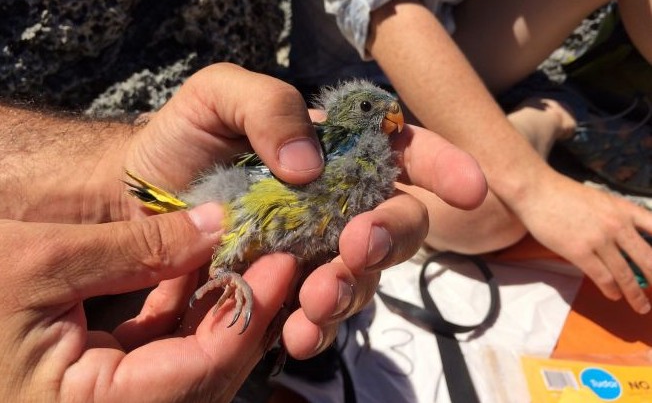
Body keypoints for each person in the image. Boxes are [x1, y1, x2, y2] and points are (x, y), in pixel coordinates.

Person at [0, 63, 487, 402]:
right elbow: (248, 177)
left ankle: (267, 305)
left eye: (388, 111)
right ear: (347, 113)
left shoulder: (374, 162)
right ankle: (229, 272)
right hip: (240, 203)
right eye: (370, 109)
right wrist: (225, 268)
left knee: (320, 284)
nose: (389, 119)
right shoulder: (338, 143)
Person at [286, 0, 652, 314]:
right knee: (481, 207)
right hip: (357, 98)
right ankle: (552, 112)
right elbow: (385, 11)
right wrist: (539, 189)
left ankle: (516, 115)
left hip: (454, 33)